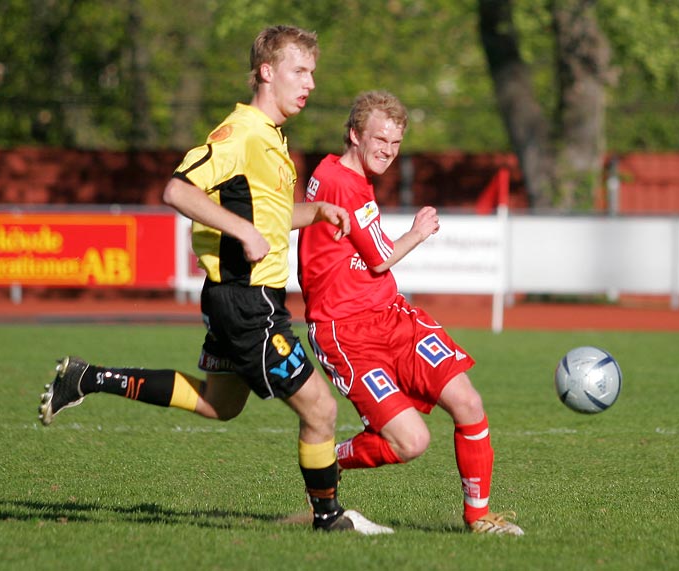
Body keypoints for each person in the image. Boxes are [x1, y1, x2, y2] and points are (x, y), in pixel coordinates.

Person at [38, 26, 392, 536]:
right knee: (319, 407)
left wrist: (313, 212)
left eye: (312, 72)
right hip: (249, 302)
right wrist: (241, 229)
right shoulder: (241, 132)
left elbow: (262, 218)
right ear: (267, 72)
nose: (310, 83)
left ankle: (86, 377)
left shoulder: (271, 138)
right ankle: (329, 519)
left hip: (240, 298)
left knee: (219, 403)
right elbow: (177, 190)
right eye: (300, 71)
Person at [297, 90, 524, 535]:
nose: (387, 150)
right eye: (380, 140)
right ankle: (331, 461)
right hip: (345, 332)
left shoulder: (336, 171)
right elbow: (380, 257)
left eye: (396, 143)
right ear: (354, 135)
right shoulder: (342, 183)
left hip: (393, 316)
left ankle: (479, 518)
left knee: (468, 401)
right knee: (412, 442)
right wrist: (419, 232)